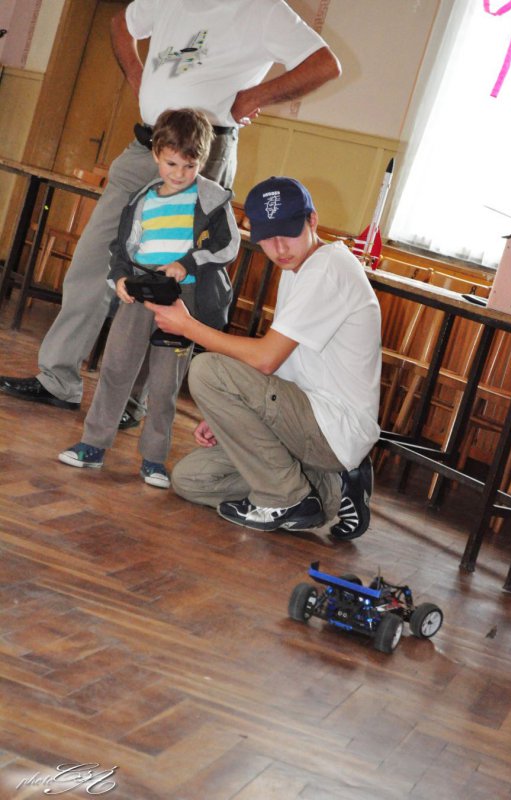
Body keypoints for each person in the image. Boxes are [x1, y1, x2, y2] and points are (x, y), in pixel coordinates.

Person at [0, 0, 341, 430]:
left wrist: (253, 97)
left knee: (167, 280)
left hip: (201, 157)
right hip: (147, 146)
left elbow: (324, 65)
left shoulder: (262, 9)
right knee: (92, 260)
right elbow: (121, 24)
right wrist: (137, 75)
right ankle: (58, 379)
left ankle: (134, 399)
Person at [146, 176, 381, 538]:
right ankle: (326, 489)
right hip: (304, 420)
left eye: (288, 232)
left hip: (332, 426)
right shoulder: (297, 269)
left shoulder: (327, 268)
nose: (279, 248)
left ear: (312, 220)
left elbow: (266, 359)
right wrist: (232, 412)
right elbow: (283, 361)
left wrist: (188, 327)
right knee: (191, 479)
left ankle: (287, 497)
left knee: (206, 369)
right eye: (267, 237)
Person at [57, 108, 240, 489]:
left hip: (181, 302)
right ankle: (93, 444)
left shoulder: (210, 197)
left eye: (189, 166)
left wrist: (187, 263)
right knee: (115, 368)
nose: (179, 173)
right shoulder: (142, 198)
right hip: (140, 293)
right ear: (156, 153)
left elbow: (228, 247)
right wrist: (120, 278)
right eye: (171, 163)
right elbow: (122, 247)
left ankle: (154, 459)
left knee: (165, 383)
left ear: (202, 160)